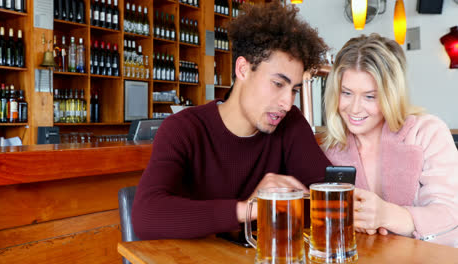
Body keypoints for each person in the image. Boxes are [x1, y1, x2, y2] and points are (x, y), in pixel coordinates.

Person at [132, 1, 331, 240]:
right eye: (278, 84)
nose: (287, 104)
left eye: (294, 90)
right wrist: (250, 208)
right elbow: (146, 216)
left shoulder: (290, 123)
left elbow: (328, 199)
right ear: (243, 69)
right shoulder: (183, 129)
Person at [322, 33, 458, 247]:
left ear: (391, 95)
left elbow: (449, 215)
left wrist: (386, 215)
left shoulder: (428, 133)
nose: (354, 108)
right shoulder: (330, 149)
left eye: (370, 96)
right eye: (346, 93)